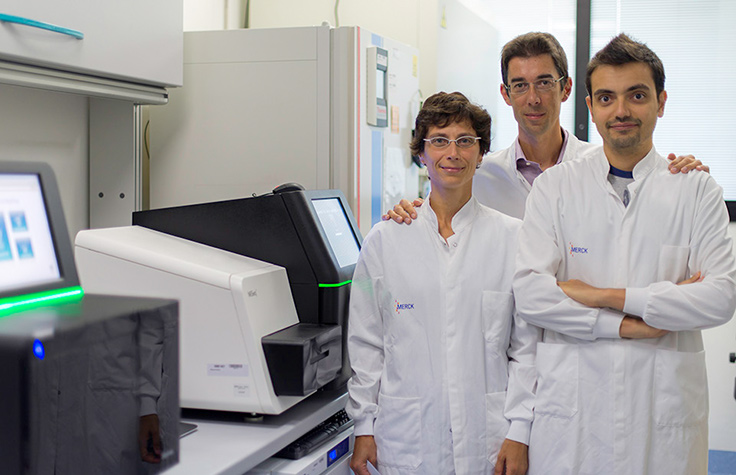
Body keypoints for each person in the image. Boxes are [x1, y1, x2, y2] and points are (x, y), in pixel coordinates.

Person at [513, 33, 736, 474]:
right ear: (590, 106)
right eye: (606, 98)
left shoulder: (697, 190)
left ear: (661, 101)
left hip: (663, 417)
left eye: (636, 95)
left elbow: (719, 298)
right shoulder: (555, 188)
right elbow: (531, 295)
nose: (621, 111)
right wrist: (631, 321)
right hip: (574, 415)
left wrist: (600, 295)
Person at [347, 92, 540, 475]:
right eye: (439, 140)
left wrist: (520, 430)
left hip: (489, 439)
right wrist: (363, 425)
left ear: (481, 153)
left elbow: (527, 347)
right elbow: (367, 343)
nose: (453, 153)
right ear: (421, 153)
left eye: (465, 141)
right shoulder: (384, 240)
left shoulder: (513, 238)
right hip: (405, 439)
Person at [386, 32, 706, 222]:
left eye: (544, 82)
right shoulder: (479, 176)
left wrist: (680, 174)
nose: (533, 99)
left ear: (566, 89)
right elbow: (438, 218)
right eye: (520, 86)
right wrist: (409, 212)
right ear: (506, 94)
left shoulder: (604, 168)